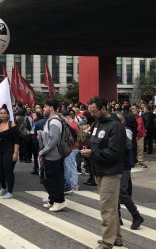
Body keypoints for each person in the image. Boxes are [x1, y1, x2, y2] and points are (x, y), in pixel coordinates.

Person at [80, 97, 125, 249]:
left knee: (107, 207)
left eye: (94, 111)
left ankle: (107, 241)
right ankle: (116, 238)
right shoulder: (97, 123)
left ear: (103, 108)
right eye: (90, 111)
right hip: (99, 170)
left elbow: (114, 152)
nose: (91, 114)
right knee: (110, 206)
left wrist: (92, 153)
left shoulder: (115, 126)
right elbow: (92, 141)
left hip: (111, 171)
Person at [115, 112, 145, 230]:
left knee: (122, 191)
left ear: (122, 121)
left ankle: (136, 215)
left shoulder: (126, 130)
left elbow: (126, 146)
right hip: (118, 164)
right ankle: (118, 217)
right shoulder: (120, 129)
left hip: (124, 164)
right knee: (115, 190)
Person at [38, 99, 67, 212]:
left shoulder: (54, 122)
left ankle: (60, 201)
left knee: (53, 178)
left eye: (45, 106)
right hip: (51, 154)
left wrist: (44, 150)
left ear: (51, 108)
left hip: (53, 155)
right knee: (49, 177)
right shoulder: (51, 120)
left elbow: (53, 140)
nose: (43, 109)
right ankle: (53, 199)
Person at [0, 104, 20, 199]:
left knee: (8, 169)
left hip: (10, 148)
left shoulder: (12, 124)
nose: (2, 115)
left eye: (4, 113)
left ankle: (10, 191)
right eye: (1, 113)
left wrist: (15, 153)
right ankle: (3, 187)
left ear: (8, 115)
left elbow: (17, 140)